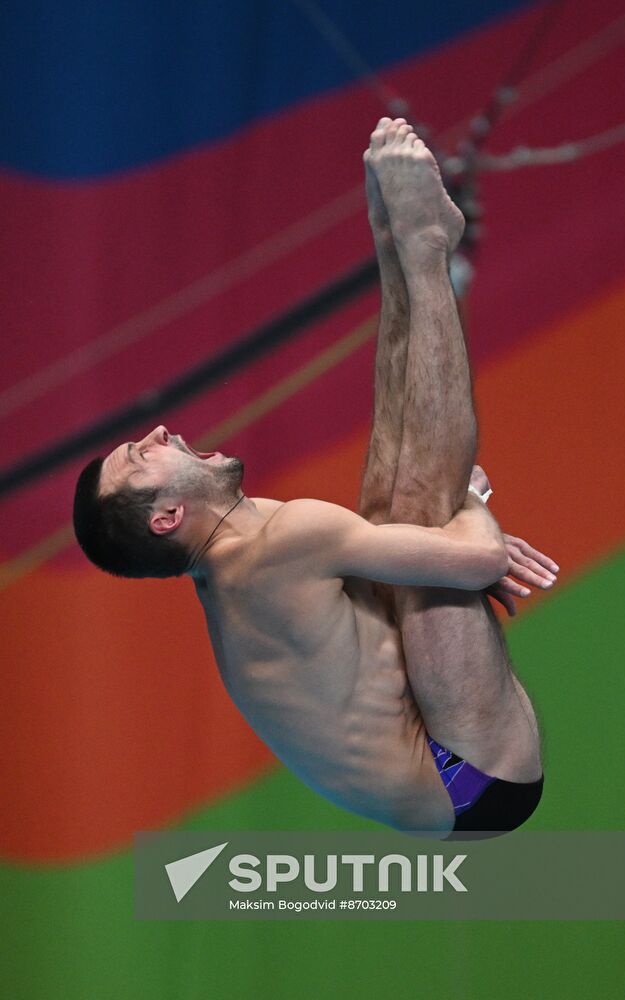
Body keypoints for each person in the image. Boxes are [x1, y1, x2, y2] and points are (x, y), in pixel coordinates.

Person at [73, 119, 558, 836]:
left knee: (395, 512)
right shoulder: (274, 548)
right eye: (141, 457)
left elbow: (446, 543)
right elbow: (479, 558)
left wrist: (462, 532)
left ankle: (397, 247)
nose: (158, 433)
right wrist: (474, 507)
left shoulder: (253, 544)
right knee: (425, 513)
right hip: (471, 778)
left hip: (434, 739)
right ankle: (422, 250)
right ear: (168, 516)